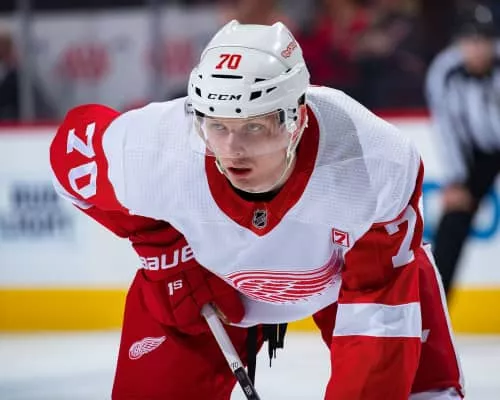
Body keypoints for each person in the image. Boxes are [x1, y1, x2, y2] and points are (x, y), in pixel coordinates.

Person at [50, 20, 463, 400]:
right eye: (217, 125)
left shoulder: (370, 162)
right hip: (211, 285)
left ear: (296, 119)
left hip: (343, 275)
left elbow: (376, 307)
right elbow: (69, 154)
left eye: (253, 127)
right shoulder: (155, 149)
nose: (232, 150)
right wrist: (166, 251)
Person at [426, 4, 500, 298]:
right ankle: (435, 307)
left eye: (484, 40)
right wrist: (456, 179)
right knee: (453, 220)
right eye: (471, 41)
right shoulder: (445, 72)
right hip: (474, 154)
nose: (478, 48)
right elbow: (446, 128)